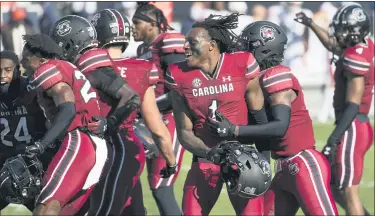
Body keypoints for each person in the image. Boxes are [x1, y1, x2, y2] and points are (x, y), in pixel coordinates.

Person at [208, 20, 339, 215]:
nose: (242, 50)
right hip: (283, 168)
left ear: (263, 49)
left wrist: (234, 130)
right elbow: (260, 131)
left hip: (303, 163)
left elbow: (280, 127)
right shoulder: (257, 80)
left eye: (247, 45)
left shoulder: (275, 75)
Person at [166, 13, 268, 215]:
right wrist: (209, 153)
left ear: (211, 45)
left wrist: (264, 161)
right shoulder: (178, 74)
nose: (184, 47)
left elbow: (260, 118)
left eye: (191, 42)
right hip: (206, 158)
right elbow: (185, 132)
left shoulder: (242, 63)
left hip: (244, 159)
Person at [87, 8, 178, 216]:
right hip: (127, 147)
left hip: (91, 149)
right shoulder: (141, 68)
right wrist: (171, 161)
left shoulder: (86, 67)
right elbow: (157, 128)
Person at [48, 15, 141, 216]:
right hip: (100, 145)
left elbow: (131, 96)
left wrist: (110, 122)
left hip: (111, 145)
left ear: (71, 43)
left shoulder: (89, 64)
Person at [295, 4, 374, 216]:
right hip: (355, 125)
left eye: (343, 29)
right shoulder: (361, 46)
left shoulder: (355, 58)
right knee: (335, 187)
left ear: (355, 31)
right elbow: (333, 46)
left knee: (348, 192)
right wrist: (311, 24)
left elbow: (353, 104)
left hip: (352, 126)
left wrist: (334, 138)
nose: (338, 33)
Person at [21, 33, 108, 216]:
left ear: (41, 59)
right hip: (95, 145)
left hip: (79, 142)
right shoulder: (67, 66)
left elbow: (68, 110)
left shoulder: (47, 69)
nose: (22, 64)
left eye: (25, 59)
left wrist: (41, 145)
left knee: (44, 210)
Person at [131, 2, 186, 215]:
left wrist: (144, 109)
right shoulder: (143, 49)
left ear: (153, 24)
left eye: (137, 22)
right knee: (145, 184)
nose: (132, 27)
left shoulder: (168, 41)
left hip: (168, 120)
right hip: (148, 122)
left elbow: (179, 91)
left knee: (161, 186)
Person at [0, 50, 50, 212]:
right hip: (3, 156)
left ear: (17, 70)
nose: (2, 75)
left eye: (7, 70)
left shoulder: (33, 89)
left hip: (31, 158)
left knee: (43, 206)